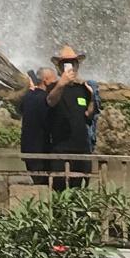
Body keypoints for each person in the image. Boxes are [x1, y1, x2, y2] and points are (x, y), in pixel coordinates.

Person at [45, 46, 98, 188]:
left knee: (81, 191)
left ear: (77, 66)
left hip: (82, 149)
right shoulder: (53, 87)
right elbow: (51, 101)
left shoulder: (83, 89)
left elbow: (88, 115)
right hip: (61, 150)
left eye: (73, 63)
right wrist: (61, 83)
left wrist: (93, 98)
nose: (70, 67)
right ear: (60, 67)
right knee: (61, 192)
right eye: (66, 64)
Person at [18, 67, 55, 183]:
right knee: (45, 183)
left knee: (37, 180)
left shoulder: (28, 97)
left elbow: (19, 109)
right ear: (46, 80)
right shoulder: (46, 99)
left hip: (27, 148)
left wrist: (30, 89)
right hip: (42, 149)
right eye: (53, 80)